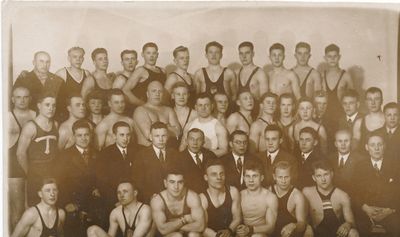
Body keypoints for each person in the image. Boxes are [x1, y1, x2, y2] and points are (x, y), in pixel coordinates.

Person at [58, 120, 104, 237]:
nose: (83, 138)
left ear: (90, 135)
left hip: (93, 204)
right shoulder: (65, 156)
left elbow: (102, 180)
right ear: (74, 136)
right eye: (79, 135)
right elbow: (60, 183)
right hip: (74, 203)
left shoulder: (98, 154)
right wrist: (67, 203)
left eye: (86, 135)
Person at [352, 132, 400, 236]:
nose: (376, 148)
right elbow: (354, 192)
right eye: (372, 145)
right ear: (366, 147)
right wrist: (366, 208)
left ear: (384, 146)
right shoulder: (360, 166)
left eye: (380, 144)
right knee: (360, 229)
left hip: (389, 211)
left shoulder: (395, 166)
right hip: (366, 212)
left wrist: (390, 210)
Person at [16, 92, 59, 206]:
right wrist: (30, 173)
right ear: (39, 106)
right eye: (47, 105)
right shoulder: (30, 126)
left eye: (53, 105)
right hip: (35, 173)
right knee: (35, 207)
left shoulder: (55, 124)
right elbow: (20, 154)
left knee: (52, 205)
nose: (51, 108)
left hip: (52, 171)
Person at [303, 160, 359, 237]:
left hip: (336, 234)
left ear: (332, 174)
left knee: (353, 233)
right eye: (319, 176)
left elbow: (352, 222)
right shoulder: (307, 192)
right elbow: (300, 218)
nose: (323, 179)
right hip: (316, 233)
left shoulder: (342, 195)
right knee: (306, 232)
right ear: (314, 178)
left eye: (326, 174)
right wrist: (307, 227)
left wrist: (347, 225)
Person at [9, 86, 37, 231]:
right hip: (14, 168)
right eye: (18, 97)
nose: (22, 100)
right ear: (12, 99)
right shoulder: (6, 117)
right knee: (18, 212)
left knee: (32, 210)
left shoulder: (36, 115)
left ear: (30, 99)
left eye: (25, 97)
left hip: (34, 165)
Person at [132, 122, 180, 204]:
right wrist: (149, 195)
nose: (161, 139)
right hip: (150, 199)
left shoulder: (175, 154)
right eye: (157, 136)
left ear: (168, 136)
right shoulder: (141, 155)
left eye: (163, 136)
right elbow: (138, 181)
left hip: (173, 199)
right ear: (150, 137)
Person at [150, 167, 205, 236]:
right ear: (165, 183)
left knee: (194, 235)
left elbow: (200, 226)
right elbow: (163, 230)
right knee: (177, 236)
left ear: (184, 183)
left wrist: (172, 225)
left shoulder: (192, 197)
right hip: (168, 235)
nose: (176, 187)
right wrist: (184, 220)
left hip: (188, 231)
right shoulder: (157, 200)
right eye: (172, 182)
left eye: (180, 182)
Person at [96, 121, 137, 215]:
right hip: (114, 201)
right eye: (122, 135)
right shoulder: (105, 154)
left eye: (128, 135)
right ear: (114, 136)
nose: (125, 138)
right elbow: (102, 182)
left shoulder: (137, 152)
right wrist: (116, 202)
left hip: (134, 199)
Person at [87, 180, 152, 237]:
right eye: (119, 192)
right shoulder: (115, 213)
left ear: (135, 193)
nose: (121, 195)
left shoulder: (145, 210)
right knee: (92, 230)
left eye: (125, 191)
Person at [133, 80, 181, 148]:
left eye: (160, 91)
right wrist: (168, 126)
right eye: (154, 91)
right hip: (146, 151)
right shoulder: (140, 110)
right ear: (147, 94)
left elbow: (178, 133)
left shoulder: (168, 110)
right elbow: (149, 136)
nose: (157, 94)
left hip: (167, 151)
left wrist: (155, 125)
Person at [200, 159, 241, 237]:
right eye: (214, 174)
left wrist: (229, 230)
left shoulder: (233, 191)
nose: (219, 177)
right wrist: (217, 236)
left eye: (221, 174)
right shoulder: (202, 198)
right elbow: (202, 227)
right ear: (206, 177)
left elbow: (237, 218)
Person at [237, 159, 278, 237]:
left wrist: (250, 230)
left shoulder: (270, 197)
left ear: (261, 178)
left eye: (255, 176)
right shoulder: (240, 195)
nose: (251, 180)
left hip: (260, 234)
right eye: (248, 176)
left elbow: (271, 227)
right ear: (244, 178)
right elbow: (236, 220)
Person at [270, 161, 312, 237]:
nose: (283, 181)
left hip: (288, 234)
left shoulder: (297, 196)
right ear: (274, 177)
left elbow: (302, 223)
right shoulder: (268, 191)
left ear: (291, 176)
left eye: (286, 177)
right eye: (280, 177)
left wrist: (294, 225)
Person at [180, 93, 228, 157]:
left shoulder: (218, 127)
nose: (203, 108)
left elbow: (224, 151)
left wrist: (202, 155)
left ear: (212, 106)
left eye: (206, 105)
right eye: (200, 105)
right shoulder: (189, 125)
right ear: (196, 107)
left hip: (209, 161)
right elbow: (182, 147)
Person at [122, 42, 166, 107]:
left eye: (154, 53)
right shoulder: (140, 70)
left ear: (157, 54)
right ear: (143, 54)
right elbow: (125, 90)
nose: (151, 56)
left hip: (160, 108)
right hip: (145, 110)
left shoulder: (163, 71)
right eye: (148, 53)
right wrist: (143, 105)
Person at [55, 47, 91, 121]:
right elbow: (53, 95)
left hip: (82, 112)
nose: (78, 59)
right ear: (69, 58)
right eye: (74, 57)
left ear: (83, 59)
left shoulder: (87, 73)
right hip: (65, 114)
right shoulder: (62, 73)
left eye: (80, 57)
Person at [179, 128, 217, 194]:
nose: (195, 143)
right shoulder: (179, 158)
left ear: (203, 142)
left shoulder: (210, 156)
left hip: (210, 195)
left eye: (199, 139)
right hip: (188, 196)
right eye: (192, 139)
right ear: (186, 141)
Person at [322, 44, 354, 121]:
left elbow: (353, 97)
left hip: (341, 114)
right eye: (329, 56)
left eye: (335, 56)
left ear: (339, 57)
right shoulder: (321, 75)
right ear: (325, 58)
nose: (332, 59)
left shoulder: (346, 76)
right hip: (325, 114)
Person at [81, 48, 116, 113]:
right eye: (100, 59)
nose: (104, 61)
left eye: (105, 58)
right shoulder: (90, 80)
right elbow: (82, 102)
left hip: (111, 116)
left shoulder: (112, 78)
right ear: (94, 62)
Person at [327, 129, 362, 194]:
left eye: (346, 141)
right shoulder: (329, 159)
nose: (343, 144)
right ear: (335, 144)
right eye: (340, 141)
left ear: (351, 142)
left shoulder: (360, 160)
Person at [353, 87, 385, 152]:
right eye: (370, 99)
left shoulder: (389, 121)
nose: (373, 102)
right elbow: (354, 149)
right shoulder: (359, 122)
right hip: (364, 160)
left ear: (382, 101)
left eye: (376, 99)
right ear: (366, 102)